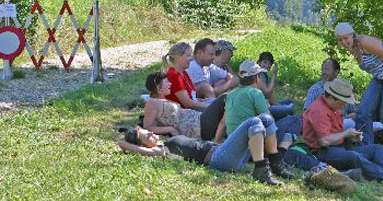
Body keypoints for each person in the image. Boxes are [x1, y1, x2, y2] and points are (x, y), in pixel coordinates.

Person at [302, 78, 383, 185]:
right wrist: (346, 134)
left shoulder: (332, 107)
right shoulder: (319, 110)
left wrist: (350, 137)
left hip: (340, 146)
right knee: (355, 157)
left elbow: (335, 132)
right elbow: (324, 141)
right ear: (332, 98)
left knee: (376, 149)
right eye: (342, 102)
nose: (343, 106)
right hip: (323, 152)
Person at [117, 118, 290, 185]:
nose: (151, 134)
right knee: (253, 122)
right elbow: (124, 145)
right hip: (218, 159)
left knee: (265, 119)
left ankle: (274, 162)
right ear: (144, 145)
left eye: (148, 132)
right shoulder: (161, 150)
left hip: (223, 152)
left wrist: (139, 131)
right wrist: (128, 139)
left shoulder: (166, 141)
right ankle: (261, 169)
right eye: (147, 136)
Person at [334, 22, 383, 160]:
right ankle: (366, 150)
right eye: (340, 40)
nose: (344, 42)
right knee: (363, 111)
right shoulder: (353, 48)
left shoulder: (365, 42)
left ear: (352, 35)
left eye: (346, 38)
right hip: (380, 77)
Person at [224, 60, 294, 181]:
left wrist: (217, 141)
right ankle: (277, 157)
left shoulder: (231, 94)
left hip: (234, 145)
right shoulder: (255, 93)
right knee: (293, 120)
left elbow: (223, 122)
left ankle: (277, 155)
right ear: (257, 78)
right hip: (253, 149)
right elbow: (269, 120)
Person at [142, 72, 226, 142]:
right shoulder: (152, 103)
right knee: (224, 98)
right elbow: (148, 127)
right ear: (158, 87)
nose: (170, 84)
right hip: (198, 126)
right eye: (166, 82)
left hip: (200, 120)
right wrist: (169, 129)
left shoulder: (164, 100)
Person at [304, 57, 357, 129]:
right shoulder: (315, 89)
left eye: (327, 69)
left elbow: (354, 112)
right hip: (322, 125)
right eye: (323, 69)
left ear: (336, 72)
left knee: (358, 123)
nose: (324, 72)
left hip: (343, 123)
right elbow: (306, 113)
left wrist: (345, 118)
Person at [162, 42, 210, 111]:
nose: (191, 58)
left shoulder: (184, 73)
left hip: (191, 110)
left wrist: (201, 101)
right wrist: (209, 106)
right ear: (178, 58)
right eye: (188, 55)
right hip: (183, 113)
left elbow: (191, 98)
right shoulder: (174, 75)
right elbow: (187, 103)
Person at [257, 51, 295, 120]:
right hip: (264, 110)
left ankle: (281, 115)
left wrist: (279, 106)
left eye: (269, 64)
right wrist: (274, 75)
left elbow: (270, 98)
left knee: (288, 102)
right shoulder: (259, 75)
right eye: (265, 62)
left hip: (268, 105)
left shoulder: (264, 75)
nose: (267, 66)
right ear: (259, 63)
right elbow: (267, 94)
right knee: (290, 109)